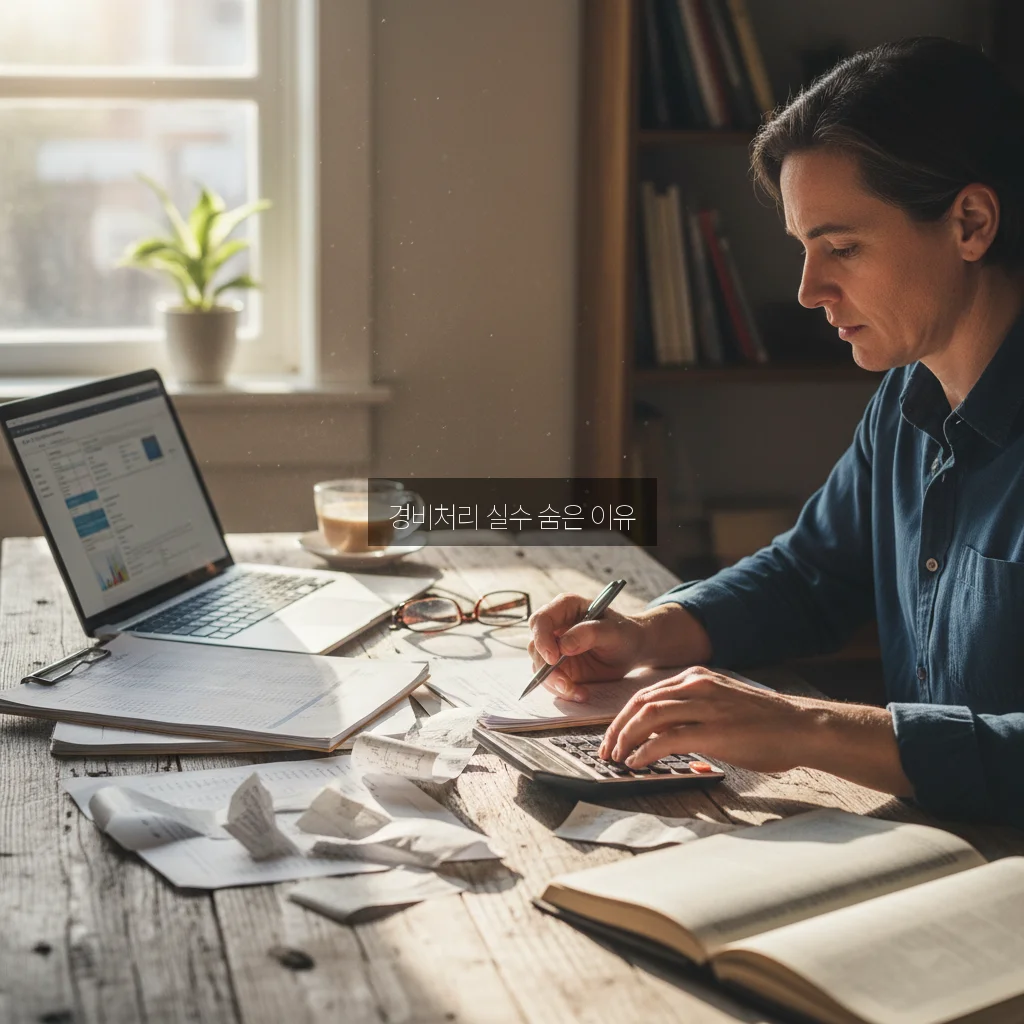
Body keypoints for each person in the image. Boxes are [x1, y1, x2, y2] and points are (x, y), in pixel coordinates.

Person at [529, 37, 1024, 829]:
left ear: (969, 222)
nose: (808, 290)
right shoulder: (907, 398)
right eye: (804, 249)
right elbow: (809, 577)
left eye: (843, 247)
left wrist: (807, 728)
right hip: (931, 843)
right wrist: (649, 632)